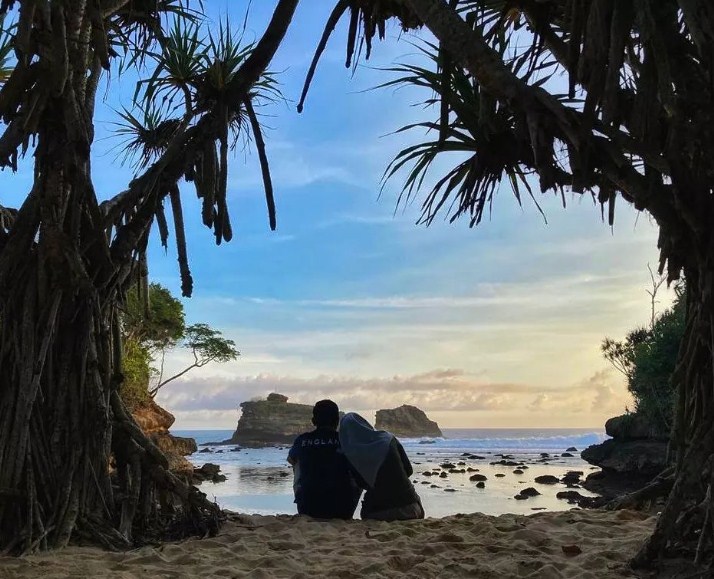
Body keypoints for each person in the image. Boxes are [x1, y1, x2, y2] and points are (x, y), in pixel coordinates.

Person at [339, 412, 424, 521]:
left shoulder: (352, 454)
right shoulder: (388, 439)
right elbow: (408, 470)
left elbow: (361, 484)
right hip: (412, 508)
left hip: (378, 512)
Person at [287, 400, 361, 519]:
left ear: (313, 421)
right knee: (356, 466)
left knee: (298, 463)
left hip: (308, 507)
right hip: (342, 509)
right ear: (337, 421)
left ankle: (305, 496)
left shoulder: (302, 440)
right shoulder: (346, 441)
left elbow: (291, 460)